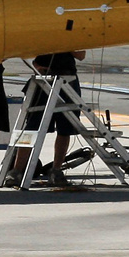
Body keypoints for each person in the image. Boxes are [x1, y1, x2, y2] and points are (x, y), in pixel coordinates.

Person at [19, 50, 86, 186]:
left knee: (65, 128)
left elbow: (80, 55)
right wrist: (35, 66)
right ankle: (17, 170)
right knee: (31, 127)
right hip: (43, 78)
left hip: (66, 79)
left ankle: (56, 169)